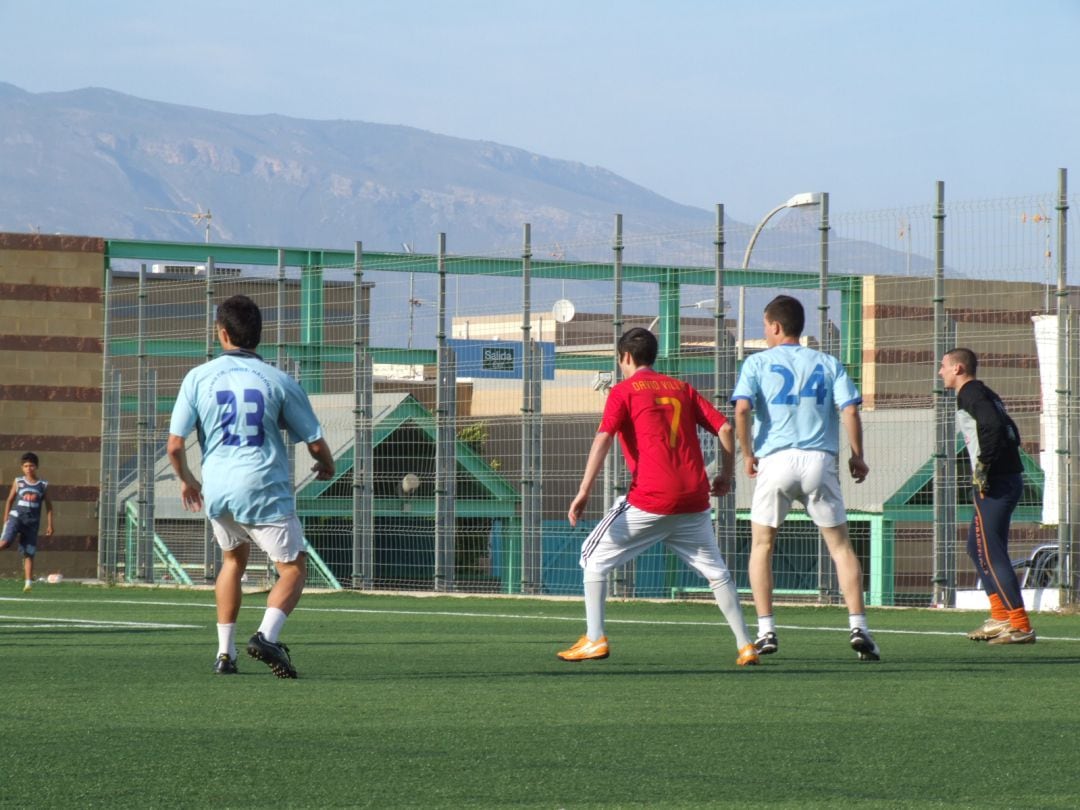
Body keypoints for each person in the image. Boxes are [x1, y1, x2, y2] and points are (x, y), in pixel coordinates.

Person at [559, 327, 759, 667]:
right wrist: (725, 476)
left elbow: (603, 438)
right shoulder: (682, 388)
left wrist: (583, 491)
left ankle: (595, 638)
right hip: (694, 500)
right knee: (717, 573)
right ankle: (745, 645)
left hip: (650, 498)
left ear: (625, 357)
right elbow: (725, 428)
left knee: (593, 557)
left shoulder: (624, 392)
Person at [168, 294, 335, 677]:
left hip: (217, 489)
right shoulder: (279, 380)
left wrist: (188, 480)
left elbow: (175, 446)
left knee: (232, 560)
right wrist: (327, 465)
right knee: (292, 569)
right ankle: (266, 637)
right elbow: (314, 441)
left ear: (221, 333)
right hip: (262, 485)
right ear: (258, 336)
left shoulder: (197, 377)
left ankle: (225, 654)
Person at [732, 295, 880, 661]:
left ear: (776, 327)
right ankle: (858, 625)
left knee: (762, 545)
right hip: (818, 460)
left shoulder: (757, 362)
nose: (764, 333)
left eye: (765, 326)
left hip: (776, 460)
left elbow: (742, 409)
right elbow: (849, 410)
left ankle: (766, 630)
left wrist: (748, 453)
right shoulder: (828, 363)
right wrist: (857, 456)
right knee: (841, 547)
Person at [938, 348, 1034, 644]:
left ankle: (1020, 625)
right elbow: (1012, 431)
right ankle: (1000, 616)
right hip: (1002, 479)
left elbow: (994, 426)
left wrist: (985, 466)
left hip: (996, 482)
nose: (940, 372)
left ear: (958, 368)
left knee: (992, 554)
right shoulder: (982, 393)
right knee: (975, 548)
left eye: (943, 366)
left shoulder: (971, 393)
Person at [2, 452, 54, 592]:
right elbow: (10, 499)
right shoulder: (19, 481)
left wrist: (50, 524)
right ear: (22, 468)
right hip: (16, 517)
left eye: (31, 465)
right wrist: (6, 517)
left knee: (29, 553)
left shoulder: (42, 485)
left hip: (32, 522)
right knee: (5, 543)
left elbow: (49, 506)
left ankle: (28, 583)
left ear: (36, 467)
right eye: (25, 466)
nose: (28, 468)